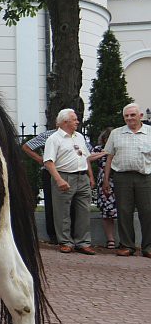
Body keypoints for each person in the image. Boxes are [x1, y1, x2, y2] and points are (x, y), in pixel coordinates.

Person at [43, 108, 97, 254]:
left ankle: (83, 242)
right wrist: (59, 179)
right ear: (65, 122)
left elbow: (85, 157)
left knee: (84, 210)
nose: (77, 122)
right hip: (64, 176)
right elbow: (48, 162)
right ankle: (65, 242)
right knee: (62, 211)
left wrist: (90, 176)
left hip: (82, 176)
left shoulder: (79, 136)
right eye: (74, 119)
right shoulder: (54, 139)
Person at [103, 103, 151, 258]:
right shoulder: (116, 133)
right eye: (126, 116)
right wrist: (105, 179)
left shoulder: (150, 132)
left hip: (145, 177)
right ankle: (127, 245)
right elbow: (109, 157)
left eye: (132, 115)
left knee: (148, 212)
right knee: (124, 211)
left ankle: (148, 246)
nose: (129, 118)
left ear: (140, 116)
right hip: (122, 177)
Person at [22, 127, 58, 242]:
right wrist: (39, 159)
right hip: (50, 172)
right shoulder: (49, 135)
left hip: (70, 172)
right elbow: (27, 146)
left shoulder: (76, 136)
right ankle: (53, 235)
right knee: (51, 203)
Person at [90, 128, 117, 249]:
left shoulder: (119, 148)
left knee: (123, 210)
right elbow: (88, 158)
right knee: (107, 211)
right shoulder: (98, 149)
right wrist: (105, 152)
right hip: (105, 182)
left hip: (118, 179)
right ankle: (110, 239)